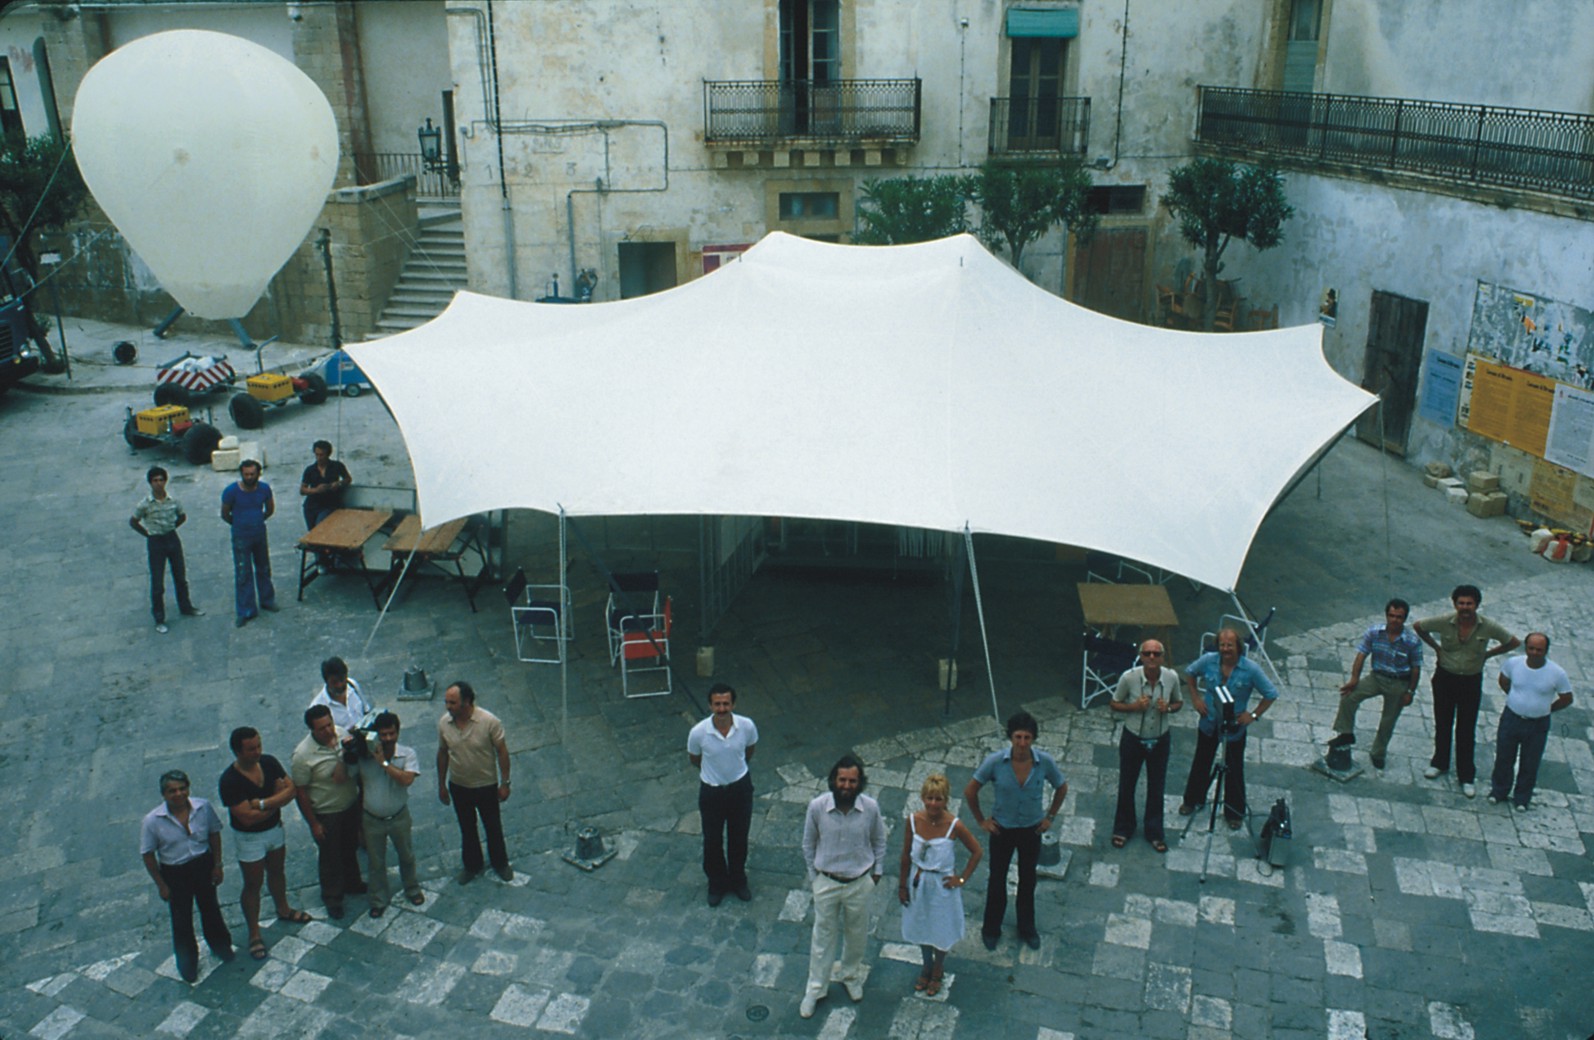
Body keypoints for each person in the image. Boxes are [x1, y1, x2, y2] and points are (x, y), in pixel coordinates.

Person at [964, 711, 1067, 951]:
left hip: (1031, 830)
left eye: (1027, 738)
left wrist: (1050, 816)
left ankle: (1027, 928)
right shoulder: (995, 762)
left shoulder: (1045, 762)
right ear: (1011, 737)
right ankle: (991, 929)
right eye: (1018, 737)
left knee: (1028, 879)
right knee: (997, 879)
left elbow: (1061, 787)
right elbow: (971, 791)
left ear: (1033, 739)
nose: (1022, 743)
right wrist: (982, 821)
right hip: (1002, 830)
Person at [800, 754, 887, 1019]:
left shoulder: (870, 807)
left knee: (857, 934)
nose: (846, 786)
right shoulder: (817, 807)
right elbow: (808, 843)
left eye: (852, 781)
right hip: (826, 882)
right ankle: (816, 989)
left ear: (860, 783)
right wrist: (815, 878)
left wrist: (877, 873)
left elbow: (879, 840)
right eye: (842, 780)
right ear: (833, 780)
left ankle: (850, 976)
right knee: (822, 938)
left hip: (859, 882)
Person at [1413, 584, 1520, 798]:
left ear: (1476, 605)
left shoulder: (1487, 626)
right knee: (1443, 722)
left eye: (1469, 603)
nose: (1465, 607)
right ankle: (1439, 762)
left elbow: (1512, 642)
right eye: (1461, 603)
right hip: (1445, 678)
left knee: (1466, 728)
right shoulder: (1444, 621)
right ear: (1455, 604)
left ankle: (1466, 776)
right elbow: (1418, 626)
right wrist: (1436, 647)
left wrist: (1488, 655)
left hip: (1470, 682)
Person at [218, 727, 311, 960]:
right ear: (237, 752)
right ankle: (253, 932)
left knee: (277, 872)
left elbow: (291, 791)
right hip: (249, 839)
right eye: (251, 749)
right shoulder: (229, 780)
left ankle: (283, 908)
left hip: (273, 830)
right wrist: (276, 803)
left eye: (258, 746)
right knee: (253, 883)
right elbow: (245, 819)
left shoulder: (268, 763)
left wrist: (261, 804)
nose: (257, 752)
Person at [1178, 628, 1277, 829]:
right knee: (1201, 762)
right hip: (1209, 722)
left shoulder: (1251, 669)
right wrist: (1196, 698)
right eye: (1222, 645)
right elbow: (1189, 673)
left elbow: (1271, 694)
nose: (1225, 649)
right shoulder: (1208, 660)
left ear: (1238, 647)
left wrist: (1253, 715)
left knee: (1234, 768)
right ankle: (1192, 800)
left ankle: (1234, 812)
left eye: (1229, 645)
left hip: (1234, 727)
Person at [139, 770, 233, 982]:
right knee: (181, 919)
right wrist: (161, 885)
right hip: (175, 871)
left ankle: (221, 946)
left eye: (182, 789)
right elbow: (148, 854)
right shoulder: (152, 821)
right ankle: (188, 963)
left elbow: (214, 834)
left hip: (202, 864)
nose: (178, 794)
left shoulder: (203, 807)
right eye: (172, 791)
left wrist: (217, 864)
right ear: (164, 794)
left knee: (211, 908)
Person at [898, 773, 981, 997]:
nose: (934, 804)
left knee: (941, 928)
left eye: (939, 799)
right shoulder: (913, 821)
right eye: (930, 798)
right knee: (921, 925)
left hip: (942, 885)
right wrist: (902, 886)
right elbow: (905, 855)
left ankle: (938, 969)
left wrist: (961, 879)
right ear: (923, 798)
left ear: (946, 800)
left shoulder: (954, 825)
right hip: (918, 882)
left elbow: (977, 851)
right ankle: (926, 965)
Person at [1327, 598, 1424, 770]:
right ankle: (1346, 732)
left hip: (1398, 682)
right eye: (1391, 615)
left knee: (1388, 719)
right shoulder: (1374, 632)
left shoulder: (1412, 641)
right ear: (1386, 615)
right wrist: (1354, 679)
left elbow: (1416, 668)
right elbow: (1361, 654)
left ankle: (1378, 752)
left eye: (1399, 617)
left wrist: (1410, 691)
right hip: (1377, 677)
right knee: (1349, 697)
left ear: (1404, 619)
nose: (1394, 620)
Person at [687, 682, 758, 906]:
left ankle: (738, 879)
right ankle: (716, 883)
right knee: (712, 840)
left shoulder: (746, 726)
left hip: (740, 789)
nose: (722, 709)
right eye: (717, 704)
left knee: (739, 837)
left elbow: (749, 750)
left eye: (726, 703)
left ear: (733, 704)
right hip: (712, 792)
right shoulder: (698, 733)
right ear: (710, 706)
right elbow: (694, 759)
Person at [1109, 639, 1183, 852]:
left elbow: (1179, 702)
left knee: (1157, 786)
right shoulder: (1129, 678)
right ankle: (1123, 828)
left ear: (1162, 657)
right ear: (1141, 656)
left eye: (1156, 654)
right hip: (1133, 737)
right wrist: (1134, 707)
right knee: (1127, 784)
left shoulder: (1171, 677)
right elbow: (1114, 703)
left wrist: (1168, 708)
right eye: (1147, 653)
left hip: (1160, 738)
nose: (1152, 658)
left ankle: (1154, 831)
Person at [291, 705, 365, 917]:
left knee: (350, 847)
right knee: (330, 856)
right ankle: (333, 897)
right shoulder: (302, 755)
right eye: (322, 728)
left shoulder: (342, 733)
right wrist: (314, 823)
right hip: (327, 811)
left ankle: (353, 882)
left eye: (329, 724)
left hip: (349, 804)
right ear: (312, 730)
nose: (329, 730)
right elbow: (301, 792)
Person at [437, 681, 513, 884]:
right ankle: (472, 865)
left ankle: (500, 863)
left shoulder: (489, 722)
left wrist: (505, 783)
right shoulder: (444, 723)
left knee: (493, 826)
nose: (448, 707)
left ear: (467, 702)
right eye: (447, 702)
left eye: (452, 702)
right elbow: (442, 753)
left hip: (485, 785)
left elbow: (502, 752)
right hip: (459, 785)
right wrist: (441, 784)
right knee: (467, 828)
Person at [1489, 632, 1572, 811]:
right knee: (1504, 757)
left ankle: (1521, 798)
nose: (1534, 652)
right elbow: (1504, 681)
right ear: (1526, 648)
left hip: (1537, 724)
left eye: (1539, 650)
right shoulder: (1514, 663)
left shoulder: (1557, 673)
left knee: (1530, 762)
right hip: (1511, 718)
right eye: (1531, 648)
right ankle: (1499, 791)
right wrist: (1516, 699)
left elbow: (1567, 698)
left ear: (1546, 651)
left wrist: (1547, 709)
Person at [358, 711, 426, 916]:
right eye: (383, 734)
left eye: (391, 734)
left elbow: (406, 779)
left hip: (399, 815)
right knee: (376, 862)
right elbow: (342, 776)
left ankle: (412, 888)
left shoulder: (407, 754)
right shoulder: (365, 757)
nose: (387, 739)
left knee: (406, 855)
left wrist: (384, 764)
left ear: (398, 732)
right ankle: (378, 899)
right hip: (372, 820)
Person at [129, 465, 204, 634]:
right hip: (156, 542)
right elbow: (133, 521)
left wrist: (172, 527)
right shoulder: (145, 504)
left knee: (180, 577)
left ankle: (186, 607)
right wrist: (148, 534)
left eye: (161, 480)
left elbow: (182, 516)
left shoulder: (173, 501)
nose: (158, 483)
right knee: (157, 582)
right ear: (150, 483)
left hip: (172, 538)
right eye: (155, 480)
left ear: (165, 481)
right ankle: (159, 617)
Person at [220, 459, 277, 628]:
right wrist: (239, 524)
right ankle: (246, 610)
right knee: (243, 572)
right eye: (246, 474)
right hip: (240, 536)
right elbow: (225, 514)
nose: (249, 477)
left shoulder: (264, 489)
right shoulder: (231, 491)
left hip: (259, 533)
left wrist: (258, 520)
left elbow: (270, 509)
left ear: (258, 474)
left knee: (264, 568)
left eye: (252, 474)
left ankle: (267, 600)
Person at [299, 439, 352, 530]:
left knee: (320, 527)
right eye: (317, 455)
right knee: (312, 532)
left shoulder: (337, 466)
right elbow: (302, 490)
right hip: (311, 506)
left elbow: (348, 479)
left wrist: (339, 484)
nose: (319, 458)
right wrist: (316, 490)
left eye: (322, 455)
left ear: (328, 454)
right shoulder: (310, 470)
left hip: (330, 505)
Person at [309, 656, 372, 732]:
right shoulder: (318, 706)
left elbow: (366, 710)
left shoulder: (353, 686)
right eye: (334, 682)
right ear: (326, 682)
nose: (340, 685)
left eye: (342, 679)